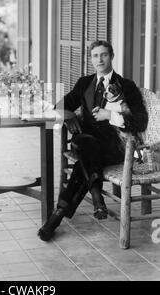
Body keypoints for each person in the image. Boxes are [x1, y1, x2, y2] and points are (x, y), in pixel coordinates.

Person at [38, 40, 148, 241]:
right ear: (91, 59)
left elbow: (140, 121)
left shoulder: (127, 86)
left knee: (84, 159)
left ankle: (59, 214)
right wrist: (68, 116)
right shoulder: (84, 83)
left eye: (104, 54)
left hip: (114, 145)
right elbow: (59, 105)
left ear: (111, 56)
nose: (100, 59)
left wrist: (110, 116)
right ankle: (96, 201)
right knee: (86, 143)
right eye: (95, 56)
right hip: (87, 141)